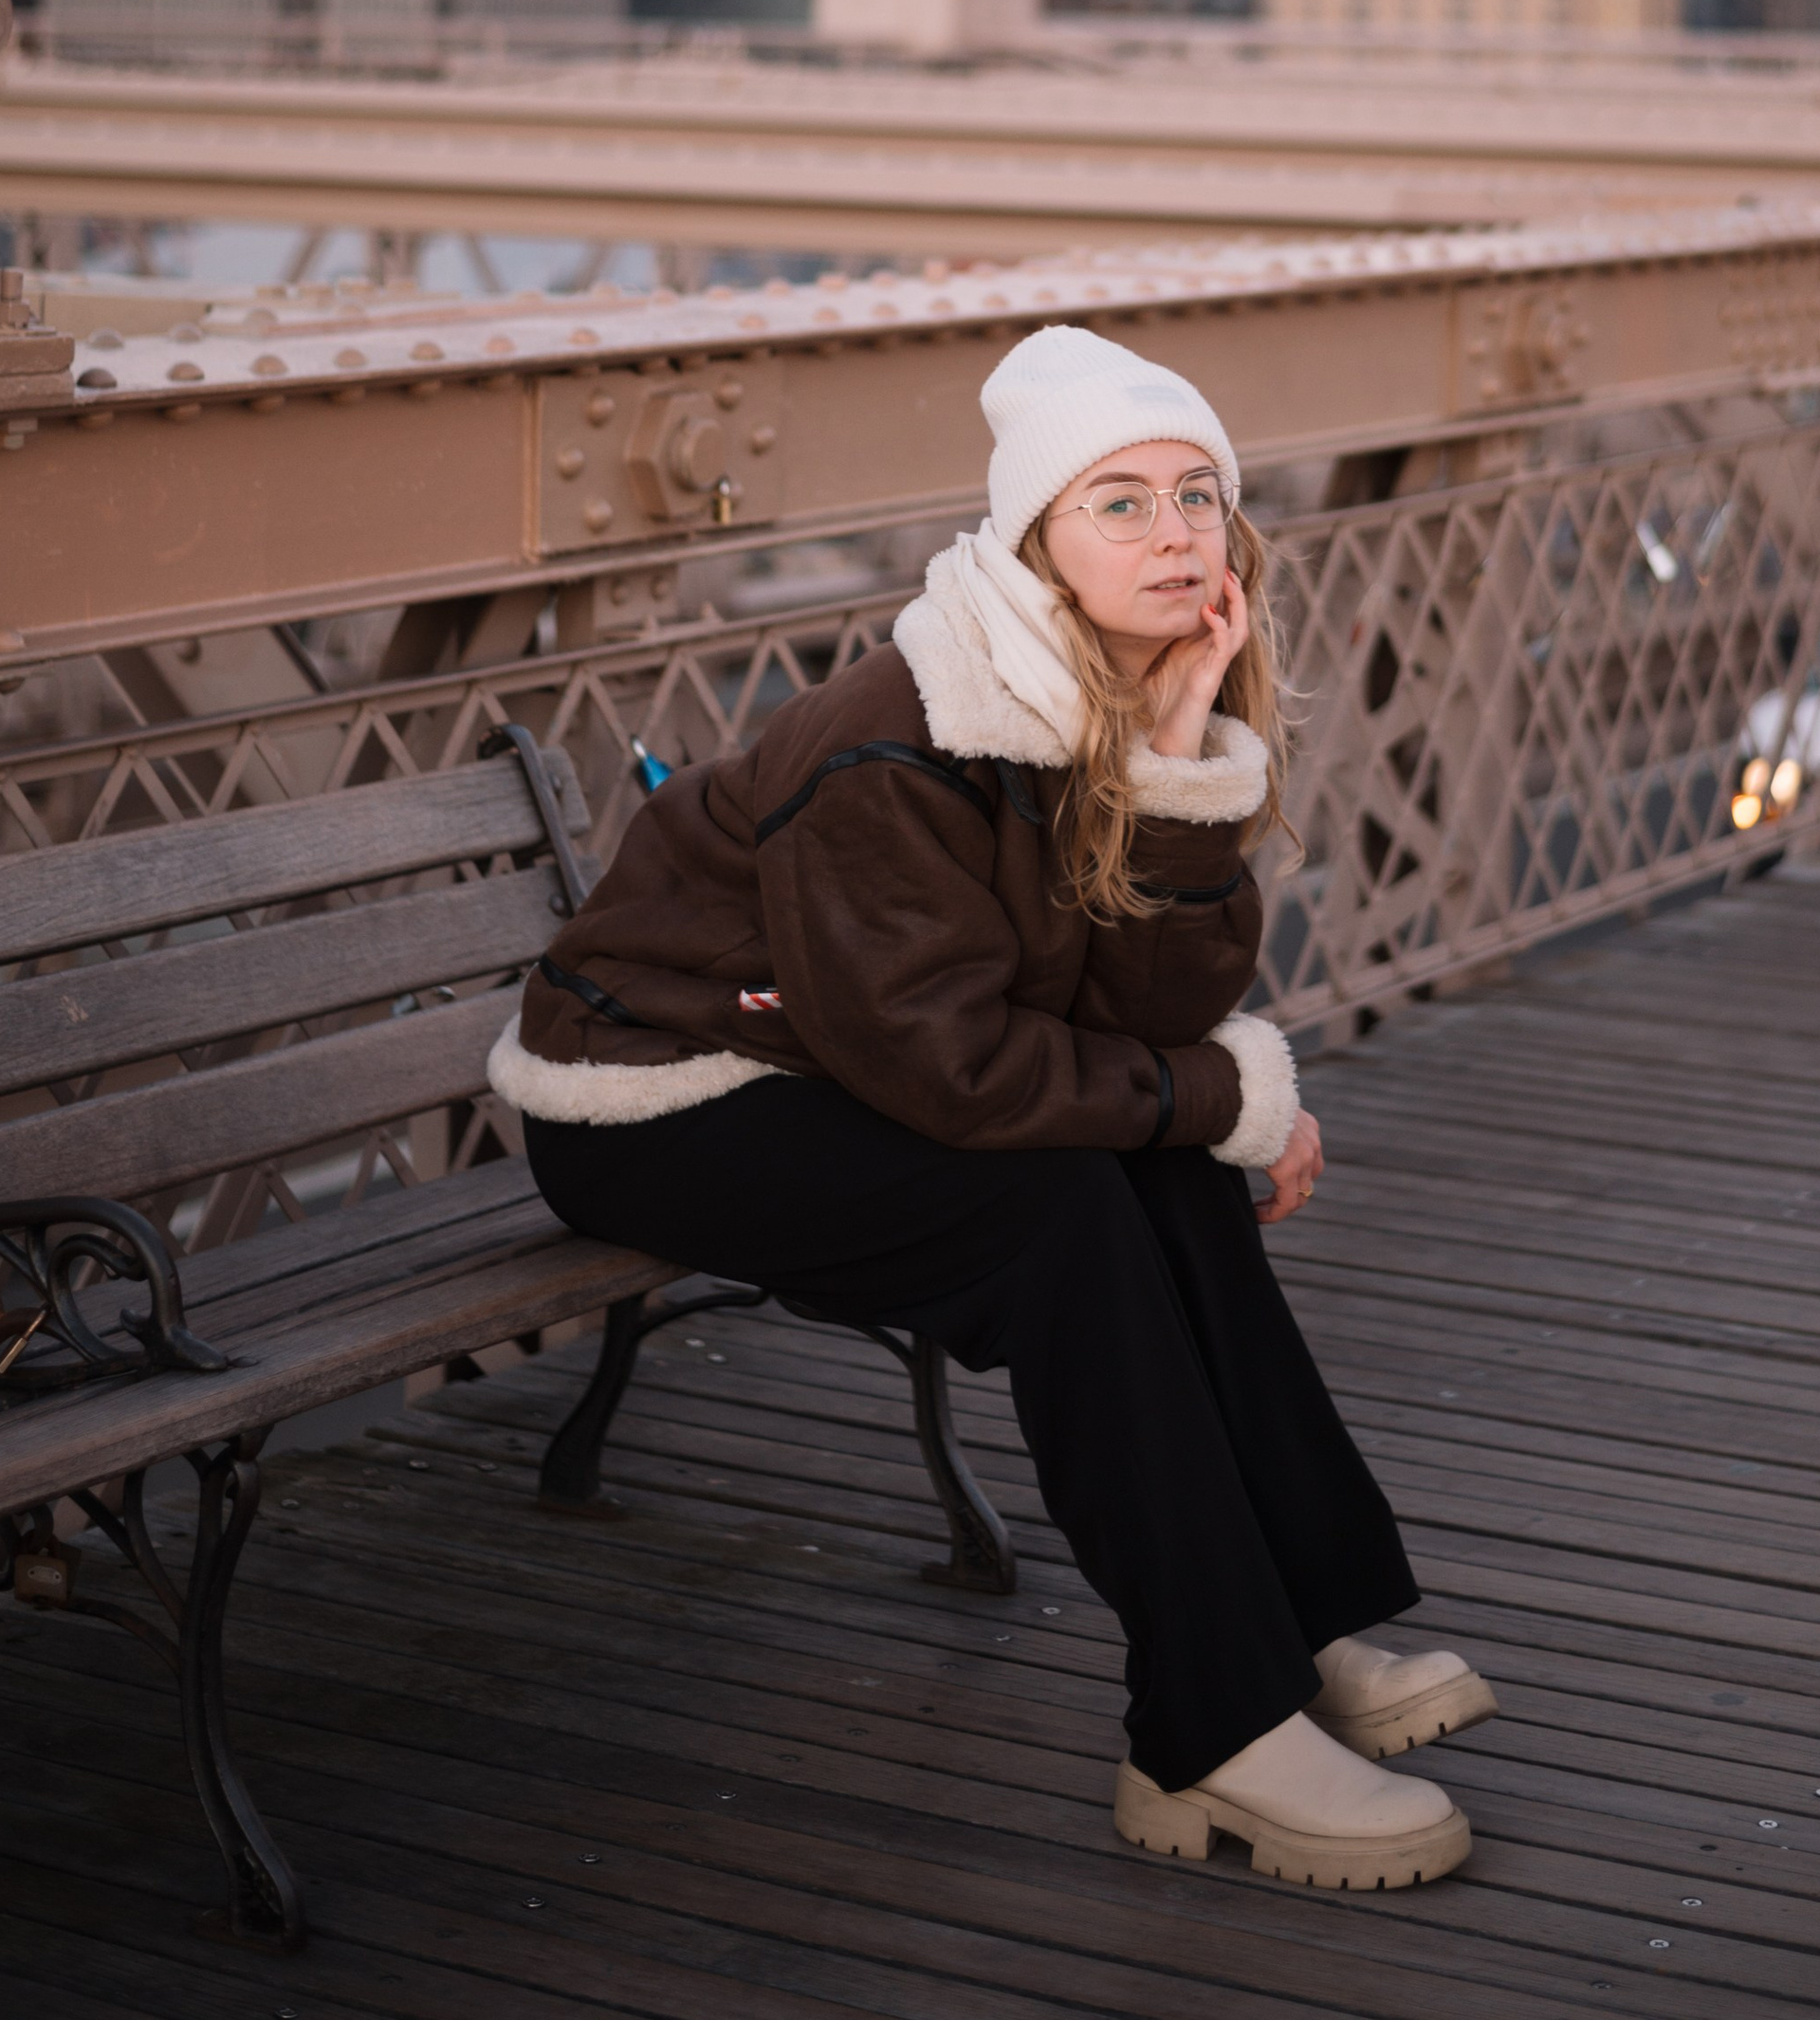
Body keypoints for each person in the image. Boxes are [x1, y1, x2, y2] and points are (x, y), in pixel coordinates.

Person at [496, 322, 1494, 1887]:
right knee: (1064, 1211)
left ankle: (1284, 1643)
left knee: (1157, 1176)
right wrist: (1225, 1093)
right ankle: (1208, 1732)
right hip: (659, 1096)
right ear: (1035, 537)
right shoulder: (901, 743)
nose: (1175, 535)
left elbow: (1135, 1012)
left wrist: (1176, 758)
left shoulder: (1101, 693)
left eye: (1197, 498)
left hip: (832, 1062)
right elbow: (952, 1068)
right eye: (1120, 503)